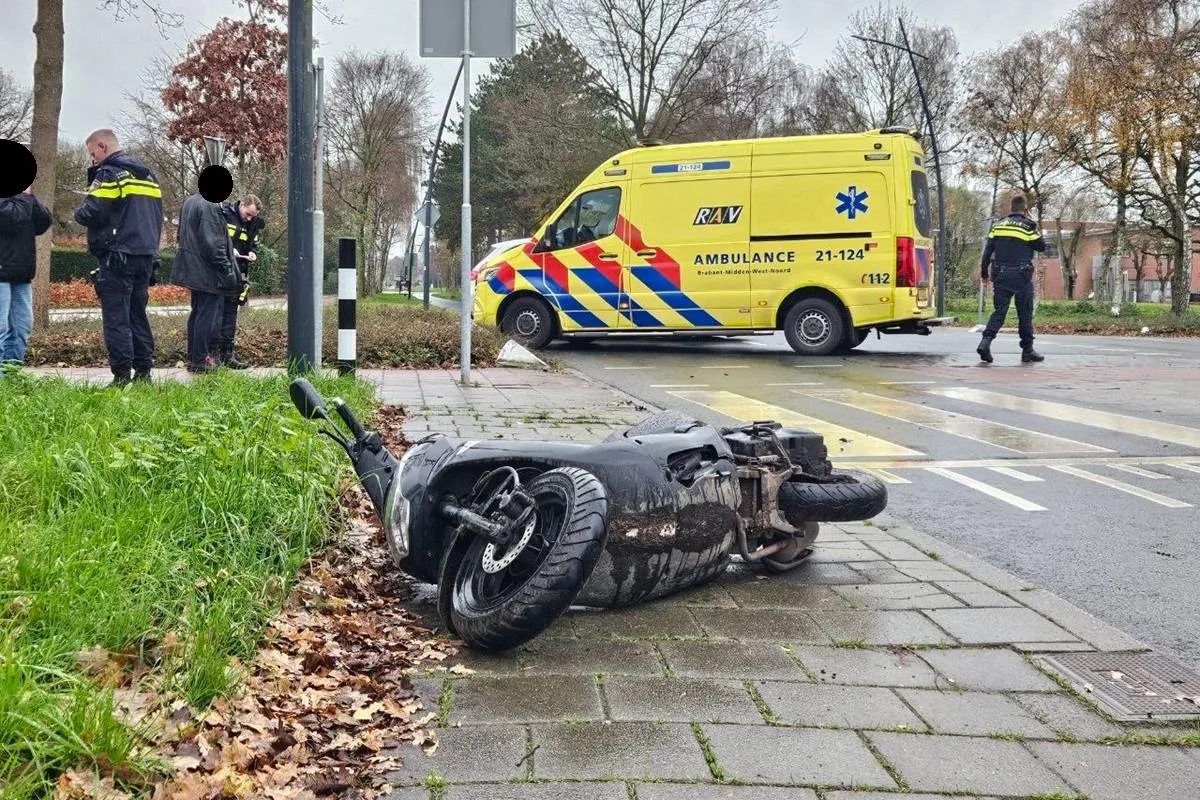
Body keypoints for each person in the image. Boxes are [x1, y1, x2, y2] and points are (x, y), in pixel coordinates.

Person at [73, 129, 164, 386]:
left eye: (93, 154)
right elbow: (155, 217)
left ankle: (121, 376)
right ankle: (144, 372)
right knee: (138, 313)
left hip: (117, 256)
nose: (93, 160)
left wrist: (77, 211)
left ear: (102, 146)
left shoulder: (109, 174)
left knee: (117, 317)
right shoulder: (149, 176)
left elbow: (92, 212)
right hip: (145, 255)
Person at [171, 192, 242, 373]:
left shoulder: (190, 202)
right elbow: (214, 245)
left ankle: (194, 357)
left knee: (197, 314)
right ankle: (201, 359)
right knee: (207, 316)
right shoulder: (210, 205)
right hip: (207, 272)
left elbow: (181, 235)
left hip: (193, 269)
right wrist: (227, 271)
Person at [977, 194, 1045, 364]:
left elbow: (987, 252)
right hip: (1021, 276)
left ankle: (985, 342)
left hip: (1000, 274)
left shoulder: (998, 225)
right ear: (1025, 209)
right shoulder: (1028, 226)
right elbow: (1041, 246)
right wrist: (1034, 224)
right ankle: (1027, 350)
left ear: (1011, 208)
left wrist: (984, 273)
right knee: (1025, 313)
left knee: (999, 311)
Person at [0, 184, 53, 368]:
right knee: (1, 328)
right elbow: (11, 219)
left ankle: (11, 375)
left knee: (21, 327)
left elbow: (42, 222)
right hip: (2, 271)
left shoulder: (22, 198)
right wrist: (24, 196)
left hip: (20, 273)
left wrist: (30, 197)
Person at [215, 194, 265, 369]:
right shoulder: (224, 214)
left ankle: (227, 355)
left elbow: (254, 243)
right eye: (248, 214)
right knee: (217, 314)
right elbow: (215, 239)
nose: (249, 218)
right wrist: (229, 251)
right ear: (242, 205)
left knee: (230, 315)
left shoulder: (252, 224)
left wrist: (253, 252)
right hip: (221, 272)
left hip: (238, 274)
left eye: (253, 216)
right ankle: (213, 355)